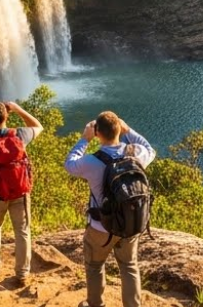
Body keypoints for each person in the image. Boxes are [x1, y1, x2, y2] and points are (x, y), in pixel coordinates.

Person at [65, 111, 156, 307]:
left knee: (95, 265)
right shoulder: (136, 154)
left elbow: (69, 164)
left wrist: (84, 139)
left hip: (100, 227)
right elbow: (150, 148)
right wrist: (128, 130)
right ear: (119, 130)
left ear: (97, 133)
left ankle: (95, 304)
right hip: (130, 222)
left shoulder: (91, 161)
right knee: (129, 266)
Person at [0, 100, 43, 290]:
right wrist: (18, 109)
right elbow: (38, 126)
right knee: (22, 232)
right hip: (20, 193)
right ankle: (22, 274)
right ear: (6, 116)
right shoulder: (20, 135)